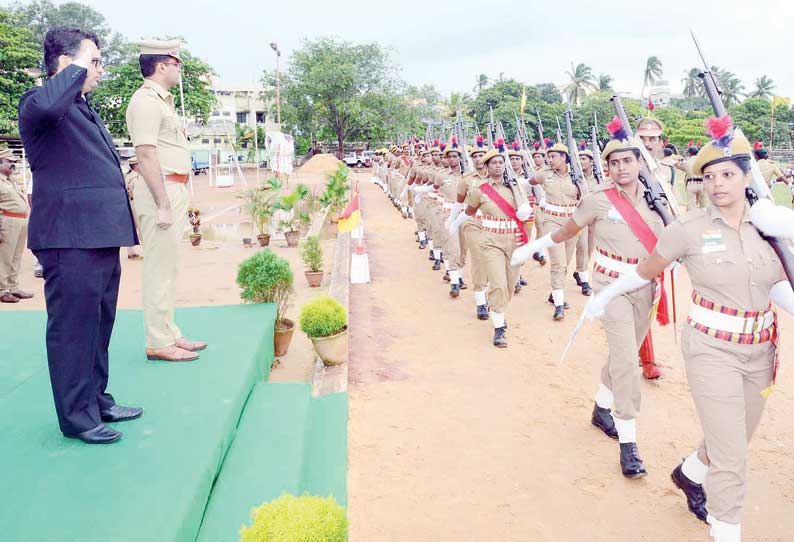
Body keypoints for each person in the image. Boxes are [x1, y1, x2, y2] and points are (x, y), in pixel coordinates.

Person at [585, 117, 793, 542]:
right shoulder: (688, 229)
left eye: (728, 174)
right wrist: (604, 295)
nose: (718, 184)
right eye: (710, 176)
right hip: (710, 351)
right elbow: (645, 270)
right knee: (732, 456)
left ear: (746, 176)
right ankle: (726, 529)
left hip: (761, 352)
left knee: (735, 438)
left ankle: (690, 472)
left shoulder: (768, 231)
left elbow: (775, 288)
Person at [512, 119, 666, 479]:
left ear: (639, 163)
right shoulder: (597, 198)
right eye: (614, 163)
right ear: (606, 167)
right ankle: (629, 443)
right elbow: (568, 230)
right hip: (610, 285)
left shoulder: (659, 199)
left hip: (646, 287)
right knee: (628, 361)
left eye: (628, 161)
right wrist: (534, 245)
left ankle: (601, 407)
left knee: (622, 353)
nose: (622, 168)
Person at [18, 27, 142, 444]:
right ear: (64, 64)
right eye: (94, 61)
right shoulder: (38, 104)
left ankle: (97, 399)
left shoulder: (82, 108)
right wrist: (75, 66)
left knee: (99, 323)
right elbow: (51, 105)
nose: (100, 70)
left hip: (99, 235)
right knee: (73, 328)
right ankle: (77, 417)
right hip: (68, 238)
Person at [125, 39, 207, 362]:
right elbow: (145, 154)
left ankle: (169, 331)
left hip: (173, 188)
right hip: (159, 190)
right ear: (161, 66)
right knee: (159, 268)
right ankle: (158, 340)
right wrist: (161, 203)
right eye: (176, 64)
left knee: (169, 266)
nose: (179, 69)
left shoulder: (162, 102)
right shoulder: (145, 101)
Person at [449, 147, 530, 347]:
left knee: (510, 285)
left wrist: (525, 211)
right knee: (498, 284)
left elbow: (526, 209)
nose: (498, 166)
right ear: (486, 167)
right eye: (493, 163)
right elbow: (468, 211)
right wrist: (453, 223)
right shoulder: (480, 190)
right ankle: (499, 327)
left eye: (501, 162)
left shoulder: (515, 187)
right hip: (490, 241)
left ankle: (498, 309)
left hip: (514, 241)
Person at [532, 142, 582, 320]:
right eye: (549, 156)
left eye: (554, 157)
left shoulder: (578, 176)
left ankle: (555, 294)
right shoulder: (545, 174)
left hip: (572, 224)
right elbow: (528, 183)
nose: (550, 160)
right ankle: (559, 305)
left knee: (566, 261)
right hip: (551, 222)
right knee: (558, 263)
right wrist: (539, 200)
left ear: (564, 157)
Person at [0, 149, 33, 303]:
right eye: (9, 162)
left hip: (19, 221)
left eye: (13, 162)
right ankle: (2, 290)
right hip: (7, 222)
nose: (13, 165)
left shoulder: (11, 180)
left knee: (16, 257)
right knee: (4, 258)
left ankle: (13, 287)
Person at [124, 156, 143, 260]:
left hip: (128, 203)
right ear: (136, 166)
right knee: (142, 228)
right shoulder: (136, 177)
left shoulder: (128, 176)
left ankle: (131, 252)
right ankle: (147, 251)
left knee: (131, 227)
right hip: (136, 203)